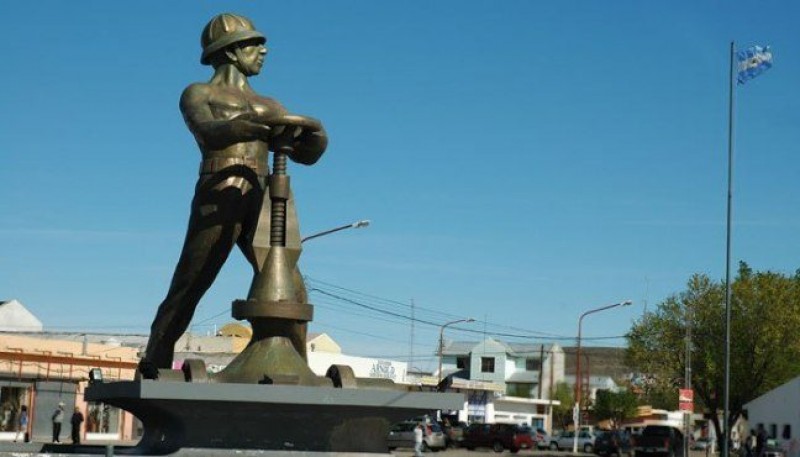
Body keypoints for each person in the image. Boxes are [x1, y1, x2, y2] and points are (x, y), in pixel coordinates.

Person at [138, 13, 327, 377]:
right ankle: (154, 359)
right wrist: (243, 127)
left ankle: (298, 372)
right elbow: (207, 131)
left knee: (292, 290)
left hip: (265, 195)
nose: (263, 50)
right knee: (192, 281)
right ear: (231, 50)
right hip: (221, 190)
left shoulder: (271, 105)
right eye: (254, 44)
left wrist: (316, 133)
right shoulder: (200, 93)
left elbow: (307, 155)